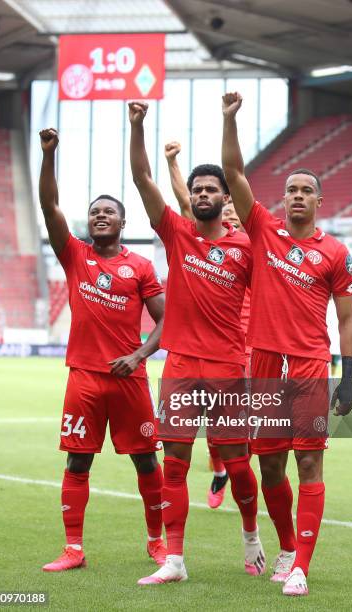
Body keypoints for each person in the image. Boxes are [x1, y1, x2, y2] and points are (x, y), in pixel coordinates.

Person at [221, 92, 352, 597]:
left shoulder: (335, 252)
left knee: (308, 462)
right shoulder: (262, 229)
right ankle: (284, 548)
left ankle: (300, 565)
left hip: (307, 365)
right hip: (264, 363)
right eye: (291, 190)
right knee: (272, 463)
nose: (297, 196)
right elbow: (234, 172)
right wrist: (230, 119)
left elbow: (346, 318)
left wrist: (348, 377)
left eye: (306, 191)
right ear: (282, 200)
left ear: (320, 201)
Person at [129, 102, 263, 585]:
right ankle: (176, 561)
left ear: (227, 199)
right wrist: (137, 126)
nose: (204, 194)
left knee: (237, 462)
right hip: (182, 365)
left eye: (213, 190)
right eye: (198, 189)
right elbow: (144, 180)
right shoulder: (177, 233)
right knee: (175, 464)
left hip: (229, 365)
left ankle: (251, 537)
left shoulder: (248, 248)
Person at [38, 128, 167, 573]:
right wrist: (49, 154)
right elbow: (50, 207)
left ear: (122, 223)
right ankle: (73, 549)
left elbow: (167, 320)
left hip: (128, 379)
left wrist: (140, 355)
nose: (100, 216)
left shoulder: (141, 266)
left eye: (108, 211)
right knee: (77, 459)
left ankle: (157, 543)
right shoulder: (74, 256)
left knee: (147, 461)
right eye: (94, 212)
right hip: (85, 377)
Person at [164, 141, 230, 509]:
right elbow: (183, 200)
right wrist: (173, 163)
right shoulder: (197, 236)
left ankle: (227, 472)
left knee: (237, 437)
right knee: (211, 435)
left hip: (244, 347)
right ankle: (220, 471)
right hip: (200, 350)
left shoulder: (249, 245)